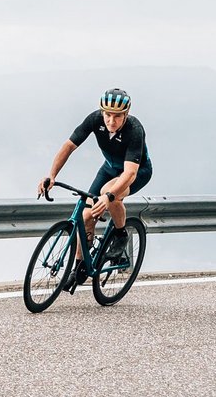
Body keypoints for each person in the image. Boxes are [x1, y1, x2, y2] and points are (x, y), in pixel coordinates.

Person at [37, 88, 153, 291]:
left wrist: (108, 197)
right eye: (108, 115)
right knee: (85, 215)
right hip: (109, 168)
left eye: (117, 116)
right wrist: (52, 175)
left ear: (126, 114)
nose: (111, 121)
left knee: (112, 194)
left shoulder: (135, 129)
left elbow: (129, 174)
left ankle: (120, 234)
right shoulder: (95, 120)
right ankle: (80, 265)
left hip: (136, 172)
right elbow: (69, 146)